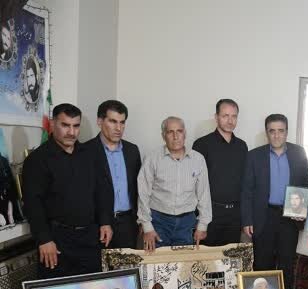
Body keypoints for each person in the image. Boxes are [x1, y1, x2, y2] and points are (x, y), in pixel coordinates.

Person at [22, 103, 113, 278]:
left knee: (92, 288)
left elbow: (102, 191)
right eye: (65, 125)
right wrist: (44, 239)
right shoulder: (37, 159)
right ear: (52, 123)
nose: (71, 132)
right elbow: (33, 203)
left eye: (76, 126)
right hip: (56, 240)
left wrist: (105, 221)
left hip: (90, 238)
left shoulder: (91, 154)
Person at [241, 114, 308, 289]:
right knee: (263, 264)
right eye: (272, 131)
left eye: (281, 131)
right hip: (263, 217)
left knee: (286, 265)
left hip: (289, 218)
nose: (277, 135)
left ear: (286, 132)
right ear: (267, 133)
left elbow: (304, 184)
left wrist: (301, 210)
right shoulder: (254, 156)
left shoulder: (298, 153)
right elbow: (247, 190)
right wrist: (247, 220)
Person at [137, 116, 212, 251]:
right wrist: (147, 227)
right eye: (170, 132)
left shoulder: (198, 159)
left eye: (179, 131)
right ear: (163, 135)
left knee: (184, 262)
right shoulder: (152, 159)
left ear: (185, 134)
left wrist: (203, 225)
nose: (175, 136)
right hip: (158, 222)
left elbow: (204, 194)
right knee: (157, 262)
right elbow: (143, 193)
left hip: (186, 223)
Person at [85, 100, 141, 249]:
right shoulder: (85, 151)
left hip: (128, 223)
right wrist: (102, 221)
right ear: (99, 121)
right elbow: (85, 192)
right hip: (97, 225)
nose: (118, 128)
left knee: (127, 263)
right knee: (100, 264)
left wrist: (141, 220)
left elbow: (138, 189)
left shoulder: (132, 150)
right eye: (113, 121)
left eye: (122, 122)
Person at [192, 99, 248, 246]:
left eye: (234, 116)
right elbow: (194, 183)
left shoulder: (242, 146)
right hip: (209, 213)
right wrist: (199, 218)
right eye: (225, 116)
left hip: (235, 215)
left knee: (230, 258)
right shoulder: (202, 144)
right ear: (216, 117)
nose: (230, 121)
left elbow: (245, 183)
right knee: (207, 257)